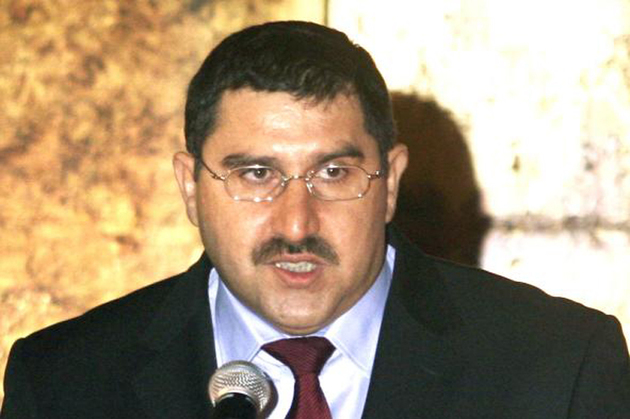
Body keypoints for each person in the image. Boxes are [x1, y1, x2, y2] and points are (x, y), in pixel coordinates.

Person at [1, 21, 629, 419]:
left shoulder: (559, 368)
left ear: (390, 183)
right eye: (256, 174)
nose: (297, 224)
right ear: (191, 188)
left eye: (333, 173)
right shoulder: (63, 385)